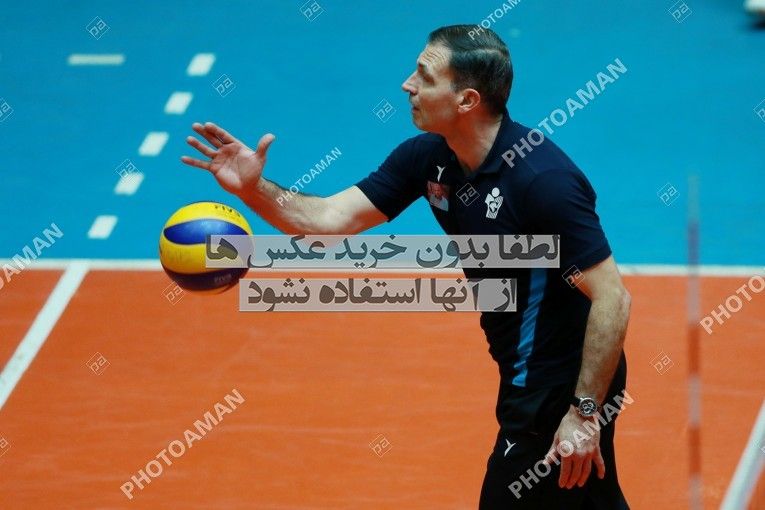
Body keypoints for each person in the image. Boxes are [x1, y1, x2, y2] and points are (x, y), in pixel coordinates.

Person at [182, 24, 631, 510]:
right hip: (524, 371)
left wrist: (584, 413)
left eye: (424, 76)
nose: (407, 85)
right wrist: (253, 189)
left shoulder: (542, 180)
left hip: (558, 383)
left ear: (467, 100)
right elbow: (328, 220)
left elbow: (612, 297)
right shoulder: (429, 158)